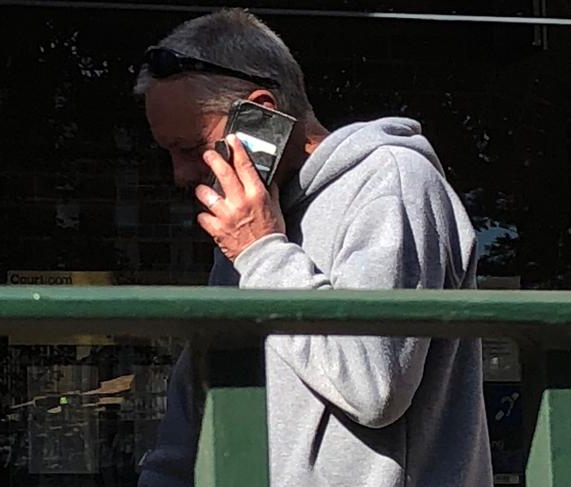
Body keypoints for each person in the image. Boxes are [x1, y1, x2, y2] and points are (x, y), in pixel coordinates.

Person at [136, 8, 493, 487]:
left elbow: (376, 388)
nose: (180, 173)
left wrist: (262, 253)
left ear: (261, 113)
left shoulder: (393, 182)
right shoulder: (253, 219)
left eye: (191, 146)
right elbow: (198, 401)